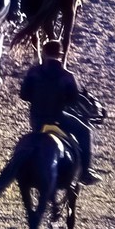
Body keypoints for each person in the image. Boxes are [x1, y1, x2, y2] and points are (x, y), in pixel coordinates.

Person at [19, 40, 101, 185]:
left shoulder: (33, 72)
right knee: (85, 131)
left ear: (43, 53)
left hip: (36, 119)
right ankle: (86, 172)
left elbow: (24, 95)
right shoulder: (67, 75)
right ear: (60, 54)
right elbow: (73, 100)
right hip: (58, 118)